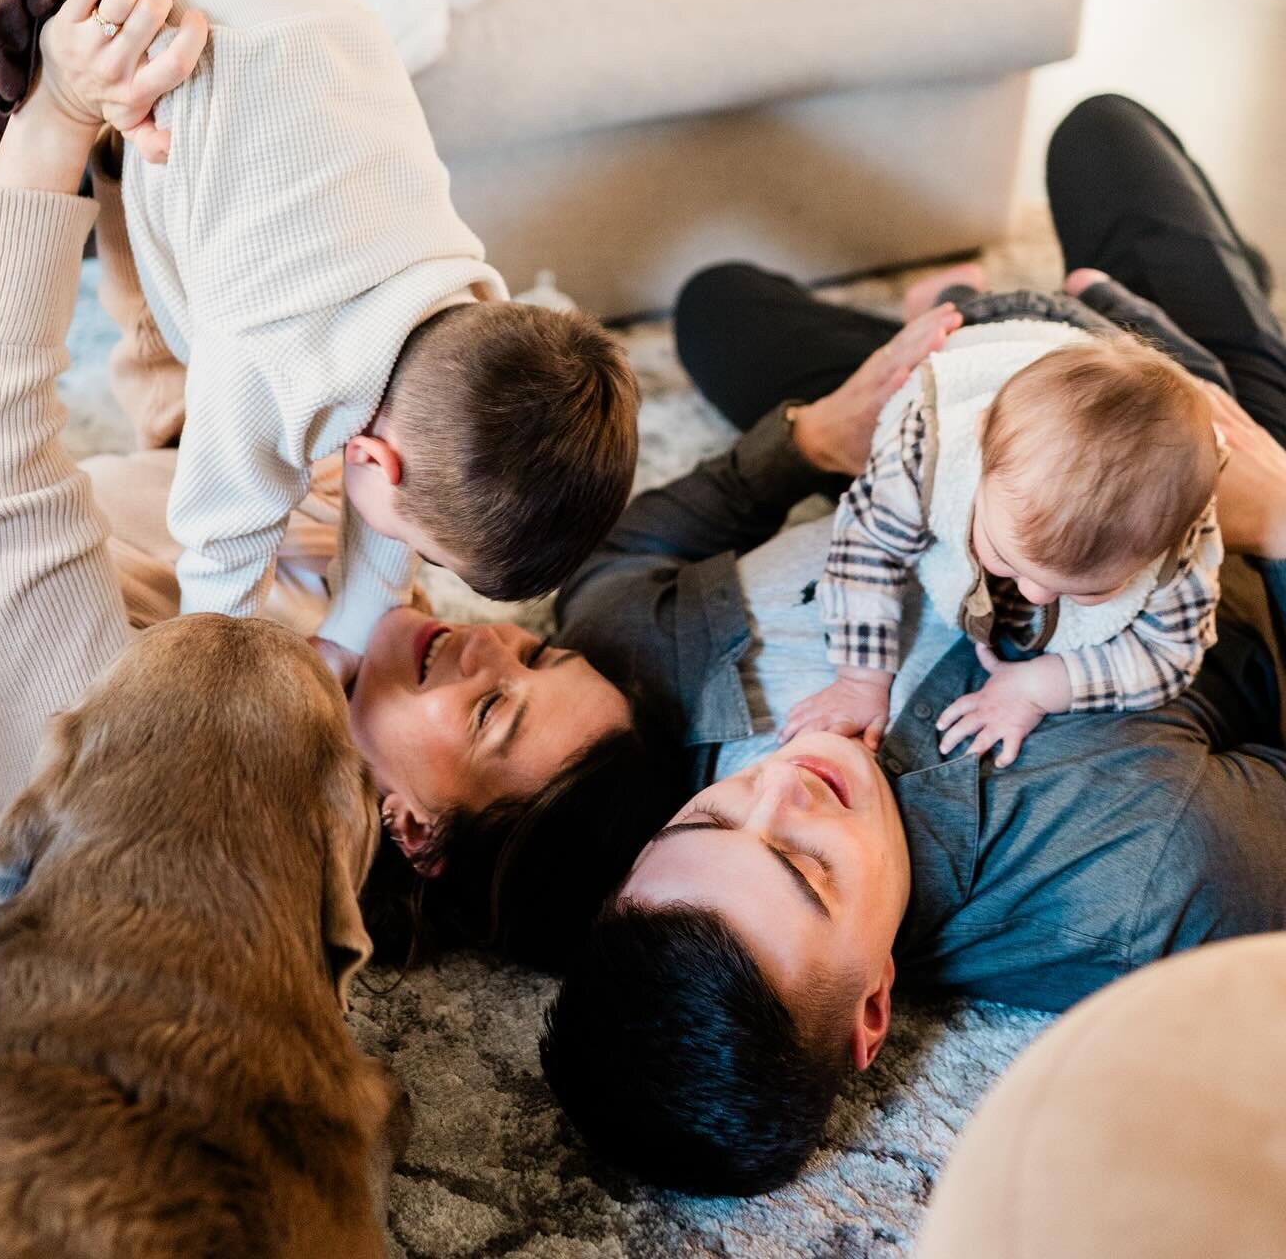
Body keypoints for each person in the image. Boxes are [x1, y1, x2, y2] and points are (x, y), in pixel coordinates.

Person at [539, 94, 1286, 1196]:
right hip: (1202, 461)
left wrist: (821, 436)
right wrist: (1271, 512)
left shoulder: (688, 709)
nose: (781, 788)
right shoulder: (1146, 872)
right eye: (803, 865)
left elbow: (619, 574)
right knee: (1101, 135)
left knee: (717, 307)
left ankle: (968, 309)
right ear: (874, 1007)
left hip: (983, 411)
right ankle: (1222, 327)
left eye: (711, 815)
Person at [0, 0, 639, 655]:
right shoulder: (273, 357)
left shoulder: (464, 299)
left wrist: (349, 640)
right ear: (376, 463)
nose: (410, 560)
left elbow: (388, 504)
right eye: (428, 554)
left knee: (118, 146)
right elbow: (222, 561)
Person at [791, 269, 1224, 767]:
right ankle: (981, 293)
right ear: (979, 448)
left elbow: (1169, 656)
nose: (1033, 595)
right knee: (950, 313)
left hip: (1094, 372)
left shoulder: (1180, 540)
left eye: (1089, 590)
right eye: (1004, 556)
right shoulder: (927, 451)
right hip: (998, 328)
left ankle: (1106, 298)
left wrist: (1041, 686)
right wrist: (860, 679)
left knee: (1182, 383)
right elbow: (865, 547)